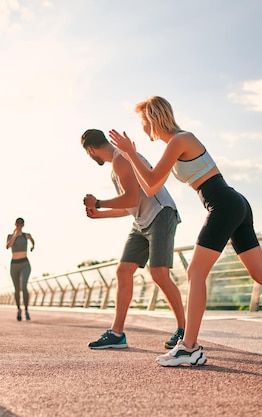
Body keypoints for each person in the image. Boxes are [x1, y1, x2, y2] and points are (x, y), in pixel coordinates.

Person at [109, 96, 262, 366]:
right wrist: (131, 155)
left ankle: (189, 347)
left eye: (143, 123)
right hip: (233, 203)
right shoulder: (177, 143)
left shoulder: (180, 140)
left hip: (223, 204)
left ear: (153, 120)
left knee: (196, 273)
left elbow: (150, 182)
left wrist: (130, 154)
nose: (143, 129)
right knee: (261, 274)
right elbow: (150, 187)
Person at [81, 129, 186, 350]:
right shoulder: (116, 166)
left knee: (159, 274)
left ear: (90, 150)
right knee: (123, 271)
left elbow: (131, 197)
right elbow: (131, 206)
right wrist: (101, 214)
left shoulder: (121, 160)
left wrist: (98, 202)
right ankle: (117, 333)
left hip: (160, 213)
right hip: (141, 221)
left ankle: (184, 330)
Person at [6, 217, 35, 321]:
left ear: (23, 224)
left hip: (25, 263)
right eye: (17, 223)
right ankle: (19, 309)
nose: (19, 224)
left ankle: (27, 310)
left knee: (24, 286)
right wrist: (15, 235)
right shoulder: (10, 236)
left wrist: (32, 247)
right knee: (17, 289)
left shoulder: (26, 235)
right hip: (14, 264)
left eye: (21, 223)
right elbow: (8, 246)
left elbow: (32, 241)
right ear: (15, 224)